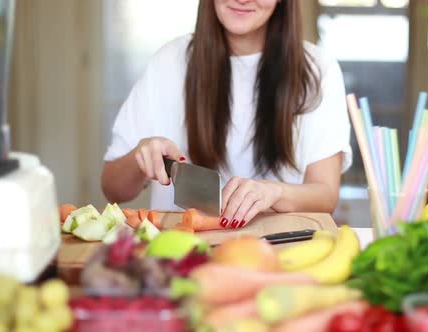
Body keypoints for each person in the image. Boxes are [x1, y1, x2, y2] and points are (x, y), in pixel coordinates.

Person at [102, 0, 352, 229]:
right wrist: (141, 158)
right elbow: (113, 189)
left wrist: (274, 192)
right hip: (177, 252)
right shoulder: (168, 62)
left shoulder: (318, 69)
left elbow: (325, 194)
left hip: (280, 251)